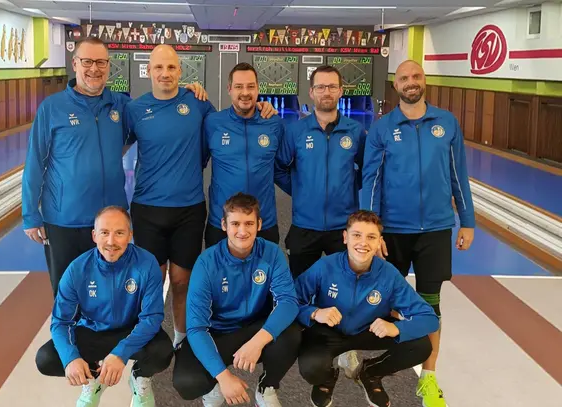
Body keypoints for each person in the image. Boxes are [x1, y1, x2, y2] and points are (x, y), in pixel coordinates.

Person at [22, 37, 206, 296]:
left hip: (111, 220)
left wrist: (187, 90)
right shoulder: (52, 108)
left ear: (108, 66)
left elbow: (159, 111)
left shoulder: (121, 105)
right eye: (87, 61)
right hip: (65, 219)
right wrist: (30, 214)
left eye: (101, 62)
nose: (94, 69)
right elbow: (34, 160)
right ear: (75, 64)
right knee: (68, 292)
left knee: (113, 293)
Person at [125, 45, 277, 348]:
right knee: (151, 283)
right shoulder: (135, 109)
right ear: (148, 70)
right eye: (159, 67)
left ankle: (182, 341)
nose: (165, 73)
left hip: (189, 210)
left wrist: (264, 108)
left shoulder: (198, 103)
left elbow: (215, 142)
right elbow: (114, 148)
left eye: (171, 67)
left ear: (180, 71)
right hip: (147, 209)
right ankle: (146, 345)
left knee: (183, 282)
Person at [359, 59, 475, 407]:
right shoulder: (382, 129)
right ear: (396, 85)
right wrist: (372, 231)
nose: (411, 82)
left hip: (436, 230)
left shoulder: (446, 123)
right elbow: (371, 181)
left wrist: (467, 220)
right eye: (404, 78)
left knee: (430, 304)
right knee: (385, 304)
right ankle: (378, 367)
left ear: (424, 81)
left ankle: (429, 377)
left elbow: (458, 174)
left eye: (416, 76)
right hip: (393, 231)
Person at [295, 210, 439, 407]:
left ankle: (370, 373)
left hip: (368, 330)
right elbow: (291, 301)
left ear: (379, 241)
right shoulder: (325, 266)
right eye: (357, 235)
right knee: (312, 368)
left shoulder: (389, 274)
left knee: (421, 346)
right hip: (328, 332)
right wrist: (315, 313)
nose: (363, 243)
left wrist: (397, 328)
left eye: (371, 237)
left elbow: (429, 318)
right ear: (345, 237)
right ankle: (326, 379)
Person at [35, 206, 173, 407]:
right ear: (94, 235)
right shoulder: (77, 269)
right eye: (105, 233)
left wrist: (120, 353)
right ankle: (93, 379)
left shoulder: (146, 263)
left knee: (163, 351)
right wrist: (71, 358)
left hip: (132, 330)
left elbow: (152, 318)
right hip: (93, 331)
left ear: (130, 235)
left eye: (119, 233)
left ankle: (140, 377)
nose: (111, 241)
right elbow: (60, 322)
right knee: (47, 358)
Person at [172, 193, 301, 407]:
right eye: (235, 224)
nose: (242, 231)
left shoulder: (271, 253)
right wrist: (223, 377)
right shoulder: (206, 263)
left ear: (259, 224)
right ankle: (214, 386)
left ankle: (267, 386)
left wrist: (257, 342)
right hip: (217, 333)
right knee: (186, 382)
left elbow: (288, 302)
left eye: (249, 223)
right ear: (224, 225)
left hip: (254, 328)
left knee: (292, 333)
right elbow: (196, 328)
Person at [275, 65, 369, 279]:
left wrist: (349, 187)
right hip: (304, 225)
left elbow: (367, 169)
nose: (326, 92)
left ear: (340, 91)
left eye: (332, 87)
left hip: (344, 225)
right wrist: (300, 190)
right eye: (320, 87)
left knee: (345, 287)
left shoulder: (355, 131)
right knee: (301, 288)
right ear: (311, 92)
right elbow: (278, 168)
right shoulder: (296, 131)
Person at [202, 62, 285, 248]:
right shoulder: (213, 123)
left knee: (265, 267)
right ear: (229, 89)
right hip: (223, 222)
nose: (245, 92)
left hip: (263, 221)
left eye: (250, 86)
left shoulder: (274, 123)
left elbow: (282, 168)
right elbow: (198, 162)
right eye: (239, 86)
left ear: (258, 89)